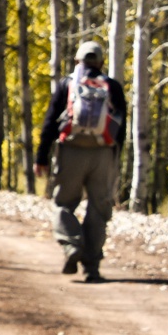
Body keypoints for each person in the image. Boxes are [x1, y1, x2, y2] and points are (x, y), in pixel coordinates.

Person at [36, 40, 127, 283]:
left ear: (78, 61)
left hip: (71, 152)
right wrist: (116, 158)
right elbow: (122, 126)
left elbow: (50, 122)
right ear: (101, 62)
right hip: (103, 154)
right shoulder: (112, 87)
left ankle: (72, 245)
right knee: (98, 209)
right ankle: (92, 267)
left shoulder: (68, 84)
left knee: (63, 204)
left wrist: (41, 157)